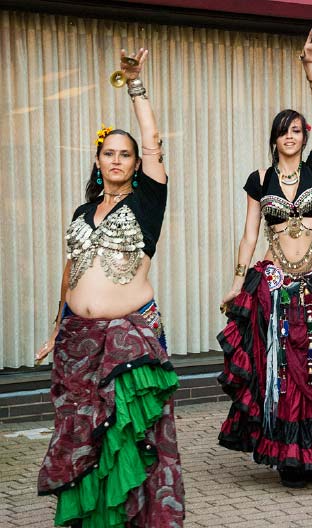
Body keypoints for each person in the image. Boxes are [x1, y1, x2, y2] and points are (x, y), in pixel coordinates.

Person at [35, 49, 184, 527]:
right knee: (84, 435)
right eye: (109, 153)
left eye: (126, 154)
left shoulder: (147, 203)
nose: (117, 160)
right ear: (98, 160)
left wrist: (135, 85)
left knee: (126, 435)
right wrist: (56, 326)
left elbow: (156, 141)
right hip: (78, 340)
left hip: (127, 342)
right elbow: (71, 270)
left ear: (138, 163)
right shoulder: (83, 213)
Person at [217, 30, 312, 489]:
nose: (292, 137)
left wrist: (311, 69)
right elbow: (250, 232)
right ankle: (291, 456)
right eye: (285, 130)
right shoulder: (260, 179)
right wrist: (239, 282)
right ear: (275, 137)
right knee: (283, 369)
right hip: (277, 283)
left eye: (298, 130)